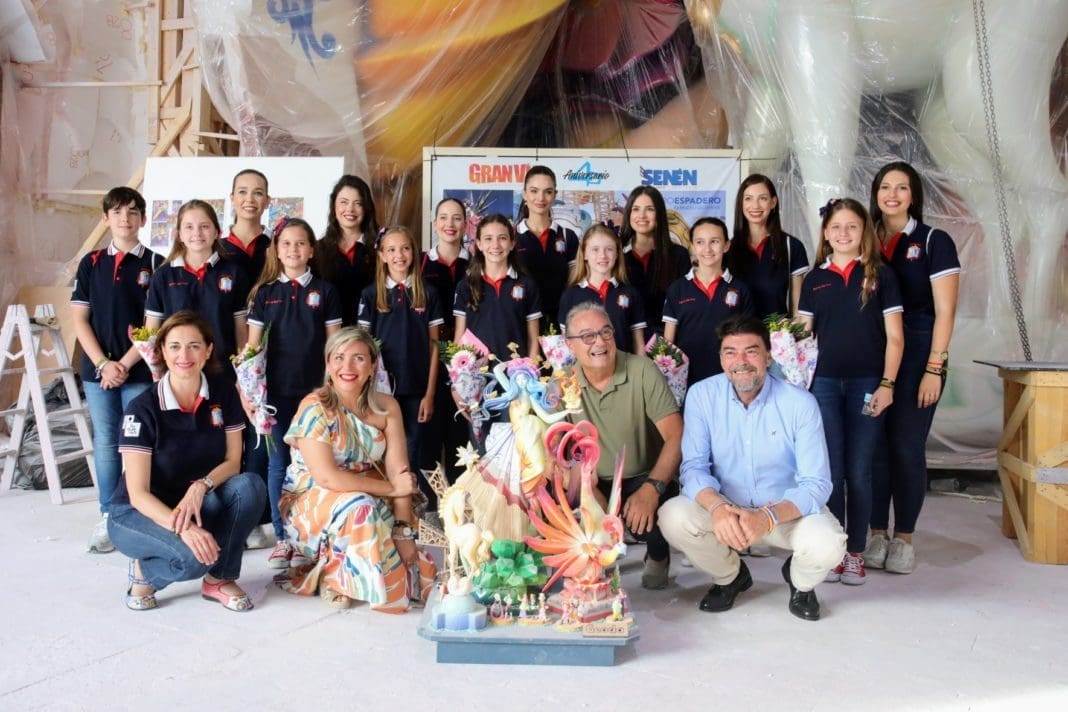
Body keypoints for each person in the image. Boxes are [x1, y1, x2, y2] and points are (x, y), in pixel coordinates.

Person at [658, 314, 847, 621]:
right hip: (727, 511)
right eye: (731, 352)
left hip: (785, 513)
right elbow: (693, 468)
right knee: (673, 516)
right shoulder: (702, 396)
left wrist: (767, 517)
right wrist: (718, 508)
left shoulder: (799, 403)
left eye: (751, 351)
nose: (741, 361)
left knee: (828, 544)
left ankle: (800, 583)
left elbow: (817, 484)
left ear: (768, 356)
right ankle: (731, 577)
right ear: (721, 359)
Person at [108, 311, 267, 611]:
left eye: (194, 346)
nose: (184, 355)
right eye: (175, 346)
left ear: (208, 350)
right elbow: (138, 494)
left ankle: (219, 578)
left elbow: (233, 462)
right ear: (162, 352)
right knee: (193, 558)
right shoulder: (142, 408)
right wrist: (183, 529)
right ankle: (145, 572)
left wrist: (200, 487)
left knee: (250, 486)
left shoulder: (223, 394)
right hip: (137, 513)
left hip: (196, 503)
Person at [279, 328, 437, 611]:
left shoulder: (387, 406)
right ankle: (334, 577)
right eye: (339, 358)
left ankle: (361, 571)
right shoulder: (314, 407)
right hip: (314, 498)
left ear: (373, 365)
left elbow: (399, 472)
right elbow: (328, 477)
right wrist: (391, 489)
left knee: (393, 528)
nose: (348, 367)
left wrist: (402, 530)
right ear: (328, 364)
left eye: (359, 358)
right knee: (360, 506)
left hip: (374, 490)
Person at [797, 198, 903, 586]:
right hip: (823, 386)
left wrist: (887, 384)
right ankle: (834, 552)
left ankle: (856, 552)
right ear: (825, 233)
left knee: (859, 471)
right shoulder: (815, 280)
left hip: (867, 385)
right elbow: (802, 337)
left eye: (852, 226)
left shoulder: (881, 276)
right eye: (836, 227)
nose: (844, 233)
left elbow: (895, 338)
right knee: (831, 472)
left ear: (864, 232)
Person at [865, 161, 961, 574]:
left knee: (906, 447)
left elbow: (946, 311)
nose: (892, 195)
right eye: (885, 187)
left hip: (919, 353)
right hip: (875, 353)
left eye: (901, 188)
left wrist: (934, 368)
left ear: (913, 196)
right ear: (875, 194)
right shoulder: (865, 238)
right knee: (874, 448)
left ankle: (903, 537)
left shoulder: (934, 241)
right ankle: (875, 532)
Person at [245, 217, 342, 568]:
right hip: (275, 396)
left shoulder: (326, 292)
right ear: (276, 249)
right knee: (278, 465)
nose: (293, 249)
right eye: (286, 243)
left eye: (301, 243)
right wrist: (249, 394)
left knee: (317, 464)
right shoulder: (264, 293)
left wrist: (331, 390)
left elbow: (334, 347)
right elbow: (252, 350)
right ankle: (283, 538)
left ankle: (315, 535)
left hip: (316, 395)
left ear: (311, 250)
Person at [564, 301, 682, 589]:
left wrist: (652, 489)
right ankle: (595, 558)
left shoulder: (642, 370)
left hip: (644, 475)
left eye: (606, 332)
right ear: (569, 345)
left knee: (655, 519)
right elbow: (558, 450)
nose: (599, 342)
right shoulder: (563, 384)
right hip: (597, 479)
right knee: (556, 496)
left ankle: (658, 554)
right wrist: (586, 488)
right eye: (587, 336)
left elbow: (677, 436)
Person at [72, 187, 160, 553]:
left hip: (138, 373)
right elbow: (80, 319)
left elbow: (153, 325)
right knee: (107, 443)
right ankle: (109, 514)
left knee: (139, 444)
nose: (126, 218)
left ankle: (137, 511)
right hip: (98, 374)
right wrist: (103, 364)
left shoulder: (155, 263)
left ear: (143, 219)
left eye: (133, 211)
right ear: (106, 218)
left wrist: (123, 363)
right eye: (118, 212)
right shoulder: (91, 263)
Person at [358, 225, 443, 506]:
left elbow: (435, 346)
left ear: (414, 253)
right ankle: (388, 509)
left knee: (414, 452)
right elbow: (362, 347)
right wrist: (365, 393)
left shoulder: (428, 293)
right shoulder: (371, 294)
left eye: (405, 248)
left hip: (417, 389)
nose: (399, 255)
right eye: (391, 249)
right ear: (382, 255)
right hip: (382, 392)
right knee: (384, 451)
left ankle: (413, 511)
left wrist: (430, 394)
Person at [144, 200, 248, 378]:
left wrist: (243, 373)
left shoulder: (234, 273)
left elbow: (241, 330)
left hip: (223, 372)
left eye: (204, 226)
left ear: (217, 232)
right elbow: (152, 331)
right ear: (179, 234)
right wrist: (157, 372)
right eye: (189, 227)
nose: (197, 233)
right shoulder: (163, 275)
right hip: (179, 372)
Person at [663, 217, 754, 385]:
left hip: (729, 377)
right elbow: (668, 342)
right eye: (700, 242)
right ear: (692, 246)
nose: (707, 249)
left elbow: (748, 337)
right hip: (687, 379)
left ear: (726, 245)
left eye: (714, 241)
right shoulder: (677, 288)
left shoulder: (740, 289)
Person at [421, 197, 471, 483]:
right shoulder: (420, 262)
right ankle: (430, 503)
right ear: (434, 223)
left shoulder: (476, 264)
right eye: (443, 217)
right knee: (428, 437)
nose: (449, 224)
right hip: (429, 358)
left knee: (460, 438)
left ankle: (460, 500)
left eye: (456, 218)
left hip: (466, 361)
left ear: (466, 224)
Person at [453, 213, 542, 363]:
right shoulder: (465, 286)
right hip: (477, 374)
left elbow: (533, 340)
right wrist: (458, 374)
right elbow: (459, 336)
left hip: (516, 374)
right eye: (488, 238)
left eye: (502, 238)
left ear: (512, 243)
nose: (495, 245)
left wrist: (531, 371)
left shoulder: (528, 285)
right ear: (479, 244)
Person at [727, 174, 810, 318]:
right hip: (739, 330)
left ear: (773, 202)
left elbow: (798, 309)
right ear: (741, 204)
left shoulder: (791, 246)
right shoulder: (728, 249)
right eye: (748, 198)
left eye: (763, 198)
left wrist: (794, 330)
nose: (755, 205)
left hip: (778, 330)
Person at [557, 222, 646, 353]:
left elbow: (639, 344)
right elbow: (567, 345)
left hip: (625, 365)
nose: (603, 255)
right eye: (595, 249)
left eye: (609, 249)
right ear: (584, 254)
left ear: (617, 254)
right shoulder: (570, 295)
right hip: (585, 366)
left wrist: (642, 366)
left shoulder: (631, 293)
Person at [513, 165, 579, 326]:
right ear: (524, 194)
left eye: (548, 192)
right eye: (534, 191)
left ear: (555, 195)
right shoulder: (511, 237)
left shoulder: (568, 236)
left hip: (561, 323)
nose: (540, 198)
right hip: (521, 322)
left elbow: (574, 284)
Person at [619, 186, 691, 332]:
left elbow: (684, 305)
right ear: (628, 214)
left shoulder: (679, 255)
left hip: (667, 338)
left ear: (659, 214)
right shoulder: (616, 254)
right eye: (636, 209)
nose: (642, 215)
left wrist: (664, 342)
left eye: (650, 209)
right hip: (623, 338)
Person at [317, 175, 378, 326]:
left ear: (366, 208)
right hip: (331, 334)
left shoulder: (380, 248)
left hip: (373, 333)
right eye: (344, 202)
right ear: (334, 205)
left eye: (358, 203)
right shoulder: (317, 250)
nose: (350, 209)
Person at [220, 167, 272, 301]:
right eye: (242, 192)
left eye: (258, 193)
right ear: (232, 199)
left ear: (267, 201)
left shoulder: (278, 244)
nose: (249, 199)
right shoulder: (215, 244)